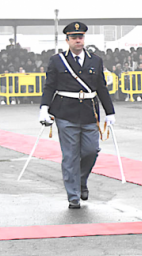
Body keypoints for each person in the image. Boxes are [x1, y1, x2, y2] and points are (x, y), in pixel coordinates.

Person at [39, 22, 115, 209]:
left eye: (80, 37)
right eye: (74, 37)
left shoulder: (95, 60)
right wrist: (44, 108)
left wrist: (110, 111)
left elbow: (101, 88)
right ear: (67, 40)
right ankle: (73, 196)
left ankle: (81, 180)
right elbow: (50, 86)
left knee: (91, 151)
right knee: (71, 156)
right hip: (66, 113)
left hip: (90, 113)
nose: (78, 40)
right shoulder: (57, 60)